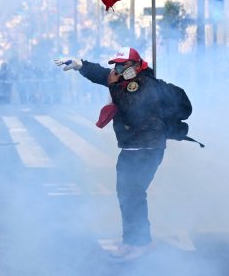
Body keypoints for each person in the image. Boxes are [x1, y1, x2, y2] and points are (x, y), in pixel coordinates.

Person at [54, 47, 193, 261]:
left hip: (146, 148)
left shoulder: (143, 84)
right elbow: (104, 75)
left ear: (136, 66)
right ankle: (133, 241)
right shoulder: (126, 82)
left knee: (132, 195)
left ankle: (140, 242)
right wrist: (81, 64)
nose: (117, 70)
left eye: (123, 65)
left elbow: (131, 108)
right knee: (128, 195)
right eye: (116, 65)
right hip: (134, 147)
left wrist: (112, 84)